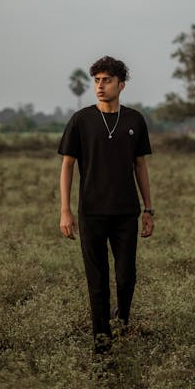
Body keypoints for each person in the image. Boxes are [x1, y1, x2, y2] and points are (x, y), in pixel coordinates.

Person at [58, 55, 154, 352]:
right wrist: (65, 210)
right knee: (97, 282)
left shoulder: (134, 120)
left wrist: (148, 209)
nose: (100, 86)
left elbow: (140, 166)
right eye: (97, 80)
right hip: (92, 213)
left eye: (107, 80)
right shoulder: (81, 120)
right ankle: (102, 344)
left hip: (126, 213)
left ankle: (121, 322)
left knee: (126, 278)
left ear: (121, 85)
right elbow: (67, 165)